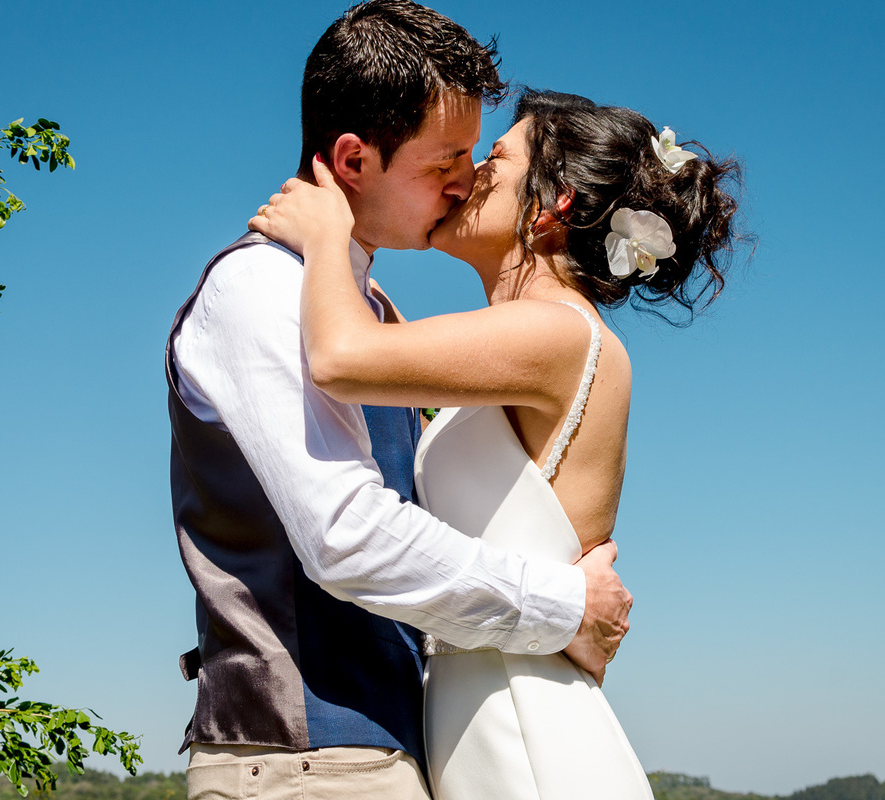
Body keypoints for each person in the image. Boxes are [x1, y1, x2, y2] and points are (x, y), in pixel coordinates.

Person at [166, 4, 634, 799]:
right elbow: (345, 536)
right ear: (353, 160)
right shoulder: (259, 289)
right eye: (446, 159)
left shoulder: (374, 318)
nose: (466, 180)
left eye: (478, 156)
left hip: (399, 752)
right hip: (301, 762)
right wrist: (564, 606)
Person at [248, 88, 743, 799]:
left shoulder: (557, 332)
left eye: (495, 160)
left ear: (554, 205)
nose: (465, 174)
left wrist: (330, 234)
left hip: (525, 726)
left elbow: (340, 357)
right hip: (482, 708)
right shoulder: (529, 343)